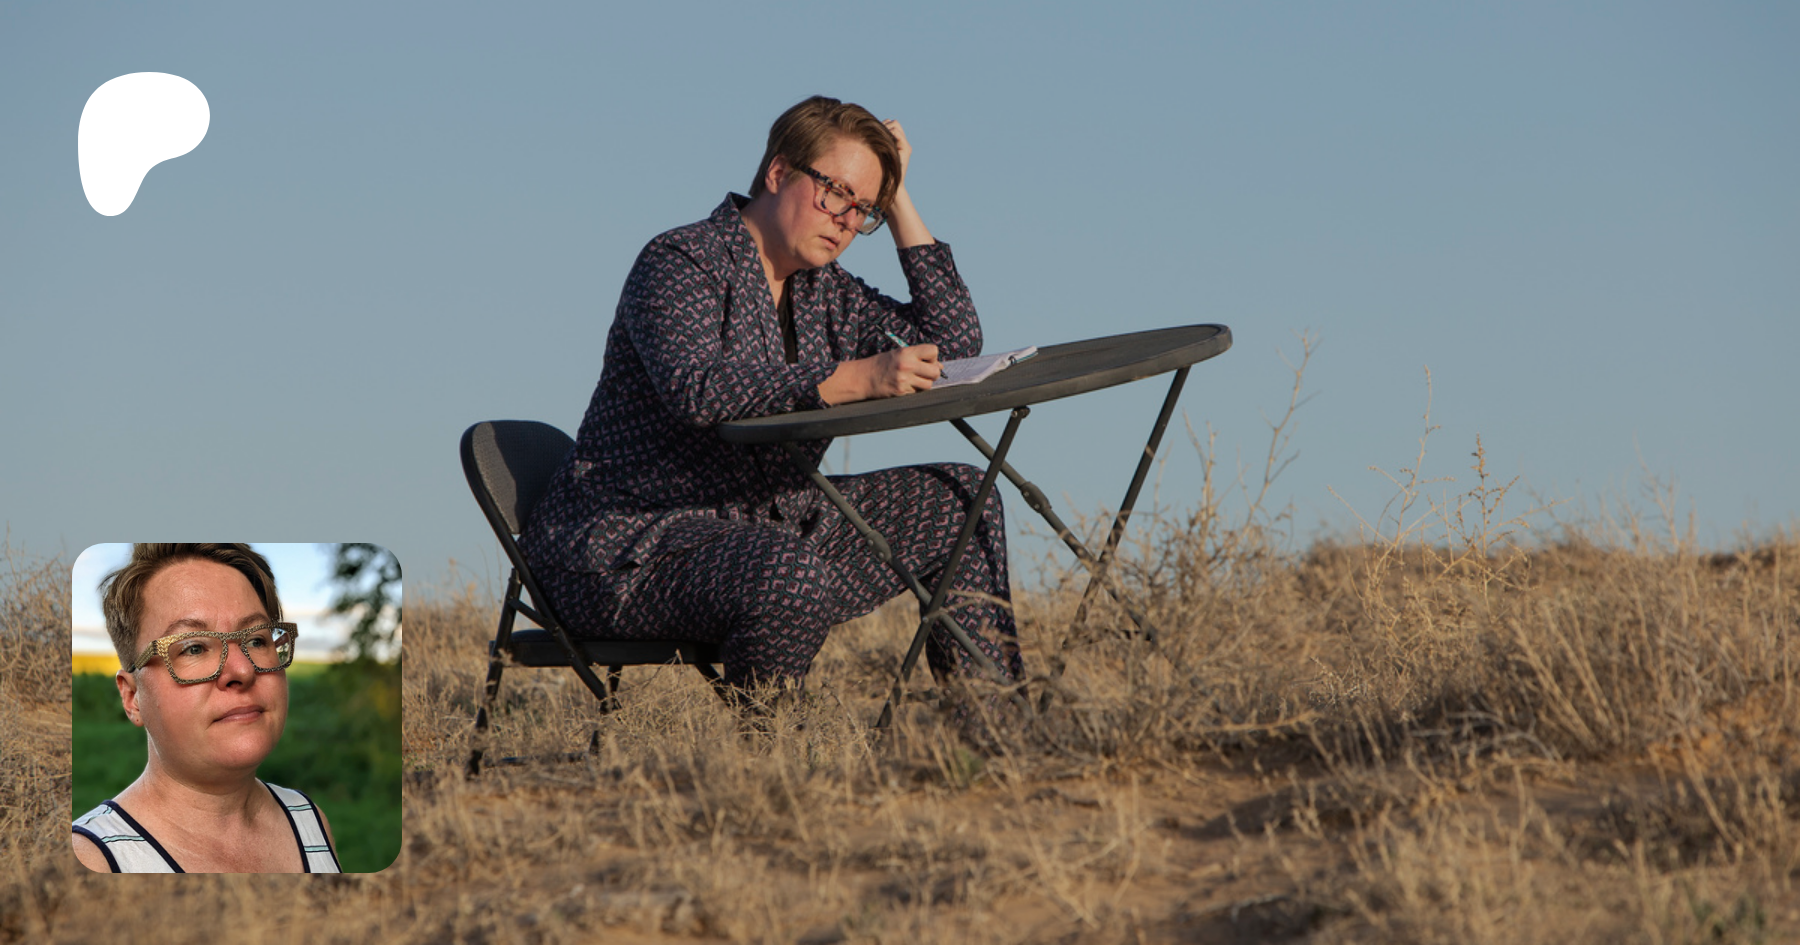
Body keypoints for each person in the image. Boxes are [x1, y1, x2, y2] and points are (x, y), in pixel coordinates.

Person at [520, 95, 1025, 700]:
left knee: (963, 500)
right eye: (836, 193)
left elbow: (954, 342)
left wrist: (897, 200)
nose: (847, 220)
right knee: (787, 572)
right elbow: (696, 387)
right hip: (630, 549)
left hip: (773, 528)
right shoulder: (681, 260)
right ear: (779, 172)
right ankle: (775, 749)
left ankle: (993, 733)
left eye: (863, 208)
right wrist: (852, 379)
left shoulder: (828, 291)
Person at [72, 543, 340, 873]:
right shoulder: (91, 860)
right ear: (132, 697)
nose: (243, 670)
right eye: (194, 648)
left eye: (257, 640)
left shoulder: (309, 820)